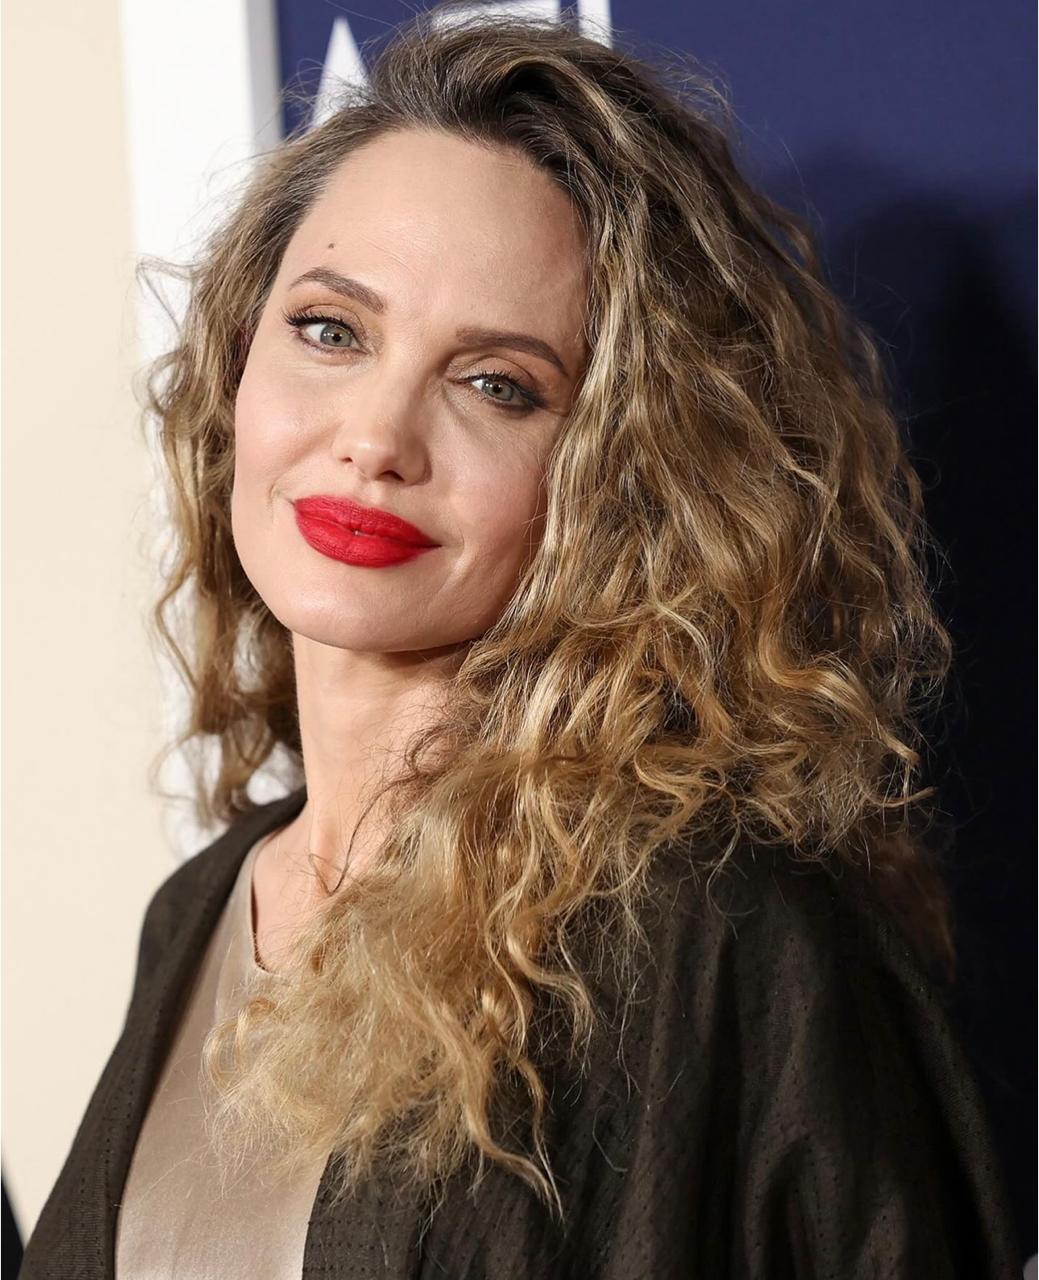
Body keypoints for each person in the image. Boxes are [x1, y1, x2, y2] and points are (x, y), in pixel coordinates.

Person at [19, 5, 1021, 1277]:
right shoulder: (200, 913)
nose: (377, 434)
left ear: (623, 474)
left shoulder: (715, 931)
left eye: (497, 383)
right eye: (330, 329)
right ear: (234, 364)